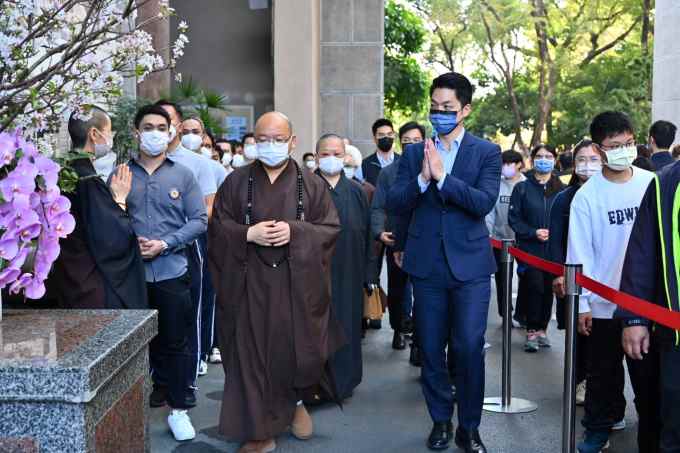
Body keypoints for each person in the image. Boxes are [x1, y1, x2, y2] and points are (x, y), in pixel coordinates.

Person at [207, 111, 345, 453]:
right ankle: (260, 433)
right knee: (251, 356)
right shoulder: (236, 182)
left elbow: (330, 230)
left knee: (290, 352)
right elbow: (218, 227)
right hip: (248, 284)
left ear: (292, 142)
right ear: (253, 141)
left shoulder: (311, 184)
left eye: (278, 139)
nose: (270, 146)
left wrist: (295, 231)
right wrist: (247, 233)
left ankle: (295, 403)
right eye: (263, 140)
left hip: (294, 286)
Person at [387, 72, 501, 453]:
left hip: (470, 267)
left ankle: (470, 426)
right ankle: (440, 420)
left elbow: (482, 202)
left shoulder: (486, 152)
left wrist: (443, 178)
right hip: (426, 266)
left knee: (468, 346)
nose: (439, 114)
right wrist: (422, 180)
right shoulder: (414, 153)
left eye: (448, 108)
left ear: (465, 109)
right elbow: (397, 202)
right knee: (431, 348)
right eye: (434, 107)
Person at [566, 111, 658, 453]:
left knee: (648, 379)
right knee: (602, 375)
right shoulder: (587, 196)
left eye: (629, 143)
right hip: (603, 305)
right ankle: (597, 430)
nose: (624, 150)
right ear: (599, 149)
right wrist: (583, 305)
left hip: (644, 304)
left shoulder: (651, 183)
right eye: (615, 145)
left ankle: (654, 434)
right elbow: (580, 252)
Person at [123, 104, 208, 441]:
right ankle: (130, 408)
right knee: (134, 344)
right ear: (136, 132)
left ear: (171, 132)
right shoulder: (120, 174)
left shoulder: (183, 175)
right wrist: (131, 240)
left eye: (161, 127)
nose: (155, 134)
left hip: (172, 270)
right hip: (132, 276)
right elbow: (109, 220)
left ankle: (179, 409)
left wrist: (165, 243)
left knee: (177, 341)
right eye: (148, 127)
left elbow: (199, 221)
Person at [48, 105, 147, 310]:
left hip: (68, 274)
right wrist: (119, 200)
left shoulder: (63, 172)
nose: (110, 138)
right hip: (90, 282)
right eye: (109, 132)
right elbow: (111, 239)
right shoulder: (88, 179)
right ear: (94, 134)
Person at [617, 154, 680, 453]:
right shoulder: (665, 182)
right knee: (673, 425)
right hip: (675, 334)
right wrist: (634, 318)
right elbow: (642, 252)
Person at [314, 133, 376, 400]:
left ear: (345, 156)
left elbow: (368, 235)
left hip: (350, 269)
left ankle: (344, 382)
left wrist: (370, 274)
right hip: (313, 273)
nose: (332, 159)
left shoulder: (357, 191)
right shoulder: (304, 188)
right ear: (316, 157)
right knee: (315, 327)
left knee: (348, 324)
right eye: (325, 154)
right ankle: (316, 384)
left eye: (337, 154)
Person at [548, 139, 601, 405]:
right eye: (581, 159)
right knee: (579, 334)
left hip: (607, 280)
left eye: (593, 159)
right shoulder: (564, 199)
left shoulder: (610, 193)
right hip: (575, 278)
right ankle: (579, 381)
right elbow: (556, 240)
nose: (587, 165)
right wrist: (559, 273)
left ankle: (600, 385)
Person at [371, 122, 424, 351]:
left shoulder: (433, 168)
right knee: (398, 289)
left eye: (416, 140)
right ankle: (399, 329)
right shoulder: (388, 173)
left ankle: (421, 338)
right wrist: (379, 231)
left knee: (425, 292)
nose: (411, 144)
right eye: (407, 141)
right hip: (397, 239)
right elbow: (378, 206)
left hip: (425, 240)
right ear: (400, 142)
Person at [509, 144, 565, 352]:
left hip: (554, 250)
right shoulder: (522, 188)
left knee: (549, 289)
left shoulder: (561, 189)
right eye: (540, 156)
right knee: (534, 287)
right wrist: (533, 232)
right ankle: (531, 329)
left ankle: (542, 329)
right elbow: (514, 219)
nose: (544, 159)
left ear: (555, 159)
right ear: (532, 160)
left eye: (548, 156)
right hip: (529, 249)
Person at [486, 150, 525, 321]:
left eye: (509, 164)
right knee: (502, 278)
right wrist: (488, 235)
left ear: (519, 164)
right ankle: (505, 312)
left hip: (523, 240)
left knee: (526, 277)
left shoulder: (526, 184)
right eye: (503, 164)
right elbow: (490, 213)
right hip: (499, 239)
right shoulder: (496, 185)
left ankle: (523, 314)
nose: (505, 167)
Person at [357, 118, 400, 186]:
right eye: (381, 135)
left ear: (394, 136)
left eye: (389, 134)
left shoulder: (402, 161)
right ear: (374, 138)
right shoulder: (364, 165)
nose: (386, 137)